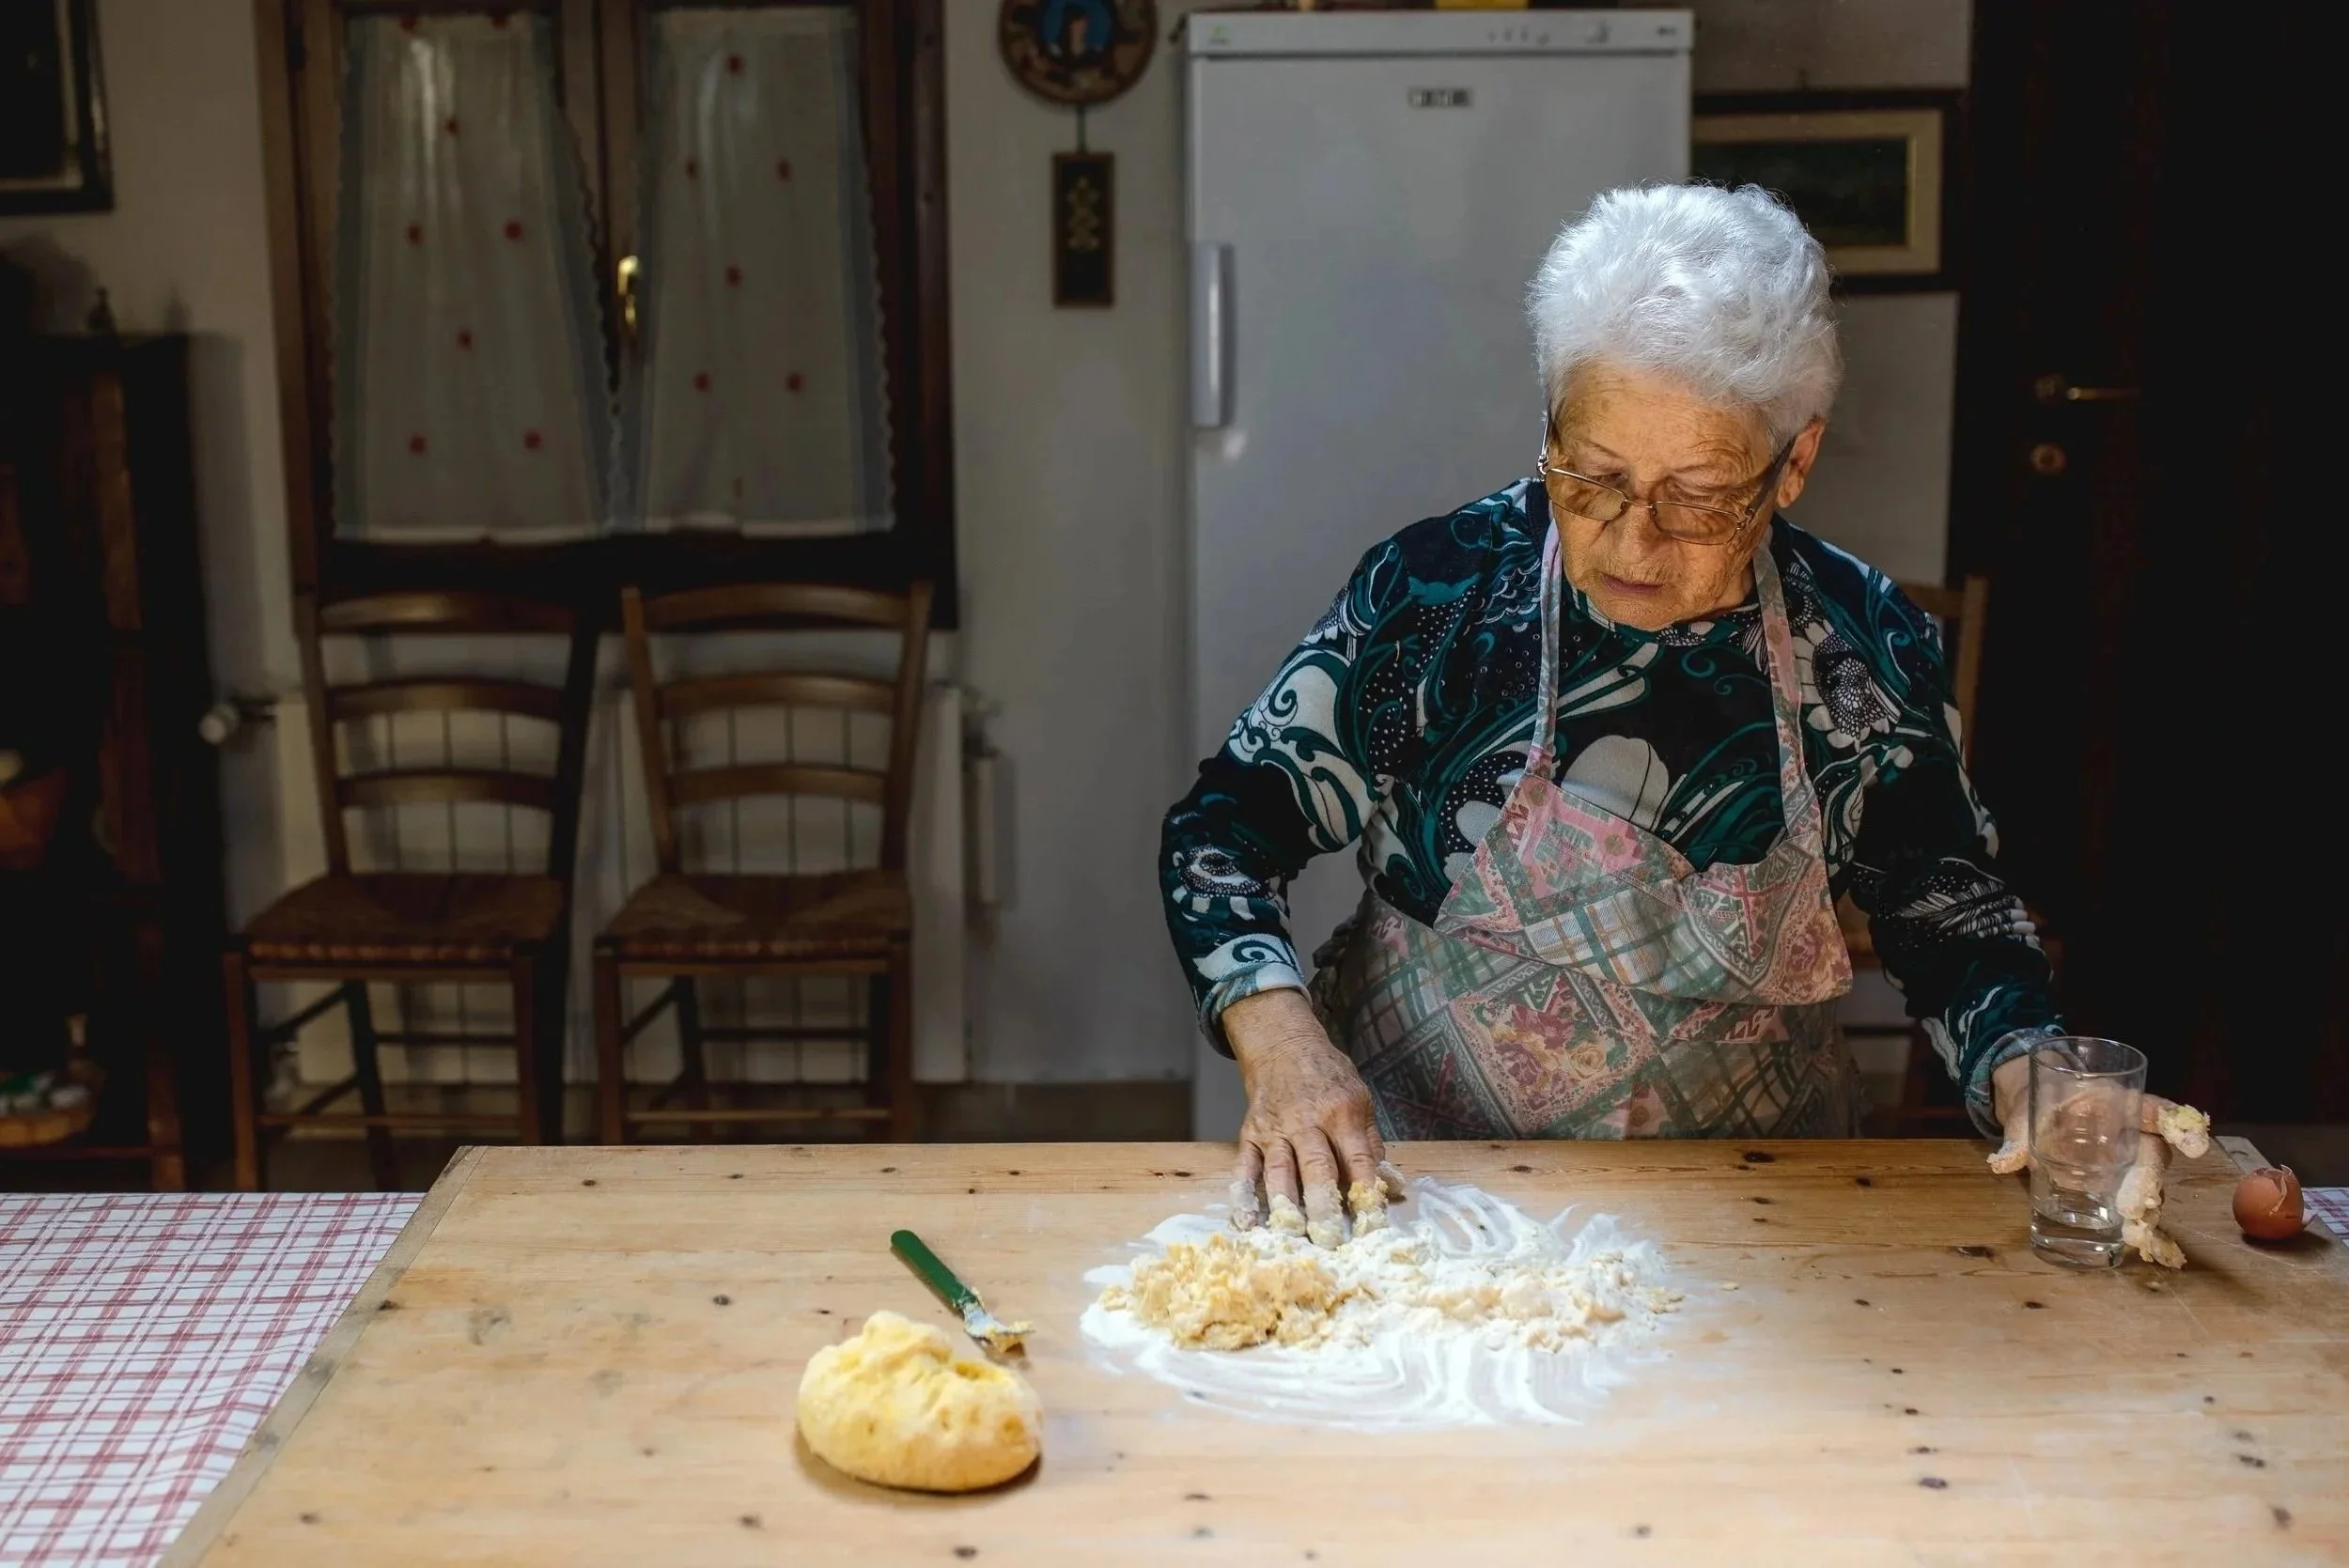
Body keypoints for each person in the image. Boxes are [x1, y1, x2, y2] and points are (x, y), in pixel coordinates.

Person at [1161, 183, 2104, 1241]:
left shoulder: (1859, 644)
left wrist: (2031, 1069)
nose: (1632, 541)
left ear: (1792, 463)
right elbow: (1222, 834)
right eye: (1592, 477)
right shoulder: (1440, 594)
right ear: (1548, 428)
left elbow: (1943, 905)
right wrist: (1282, 1040)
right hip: (1422, 1200)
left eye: (1696, 493)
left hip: (1764, 1228)